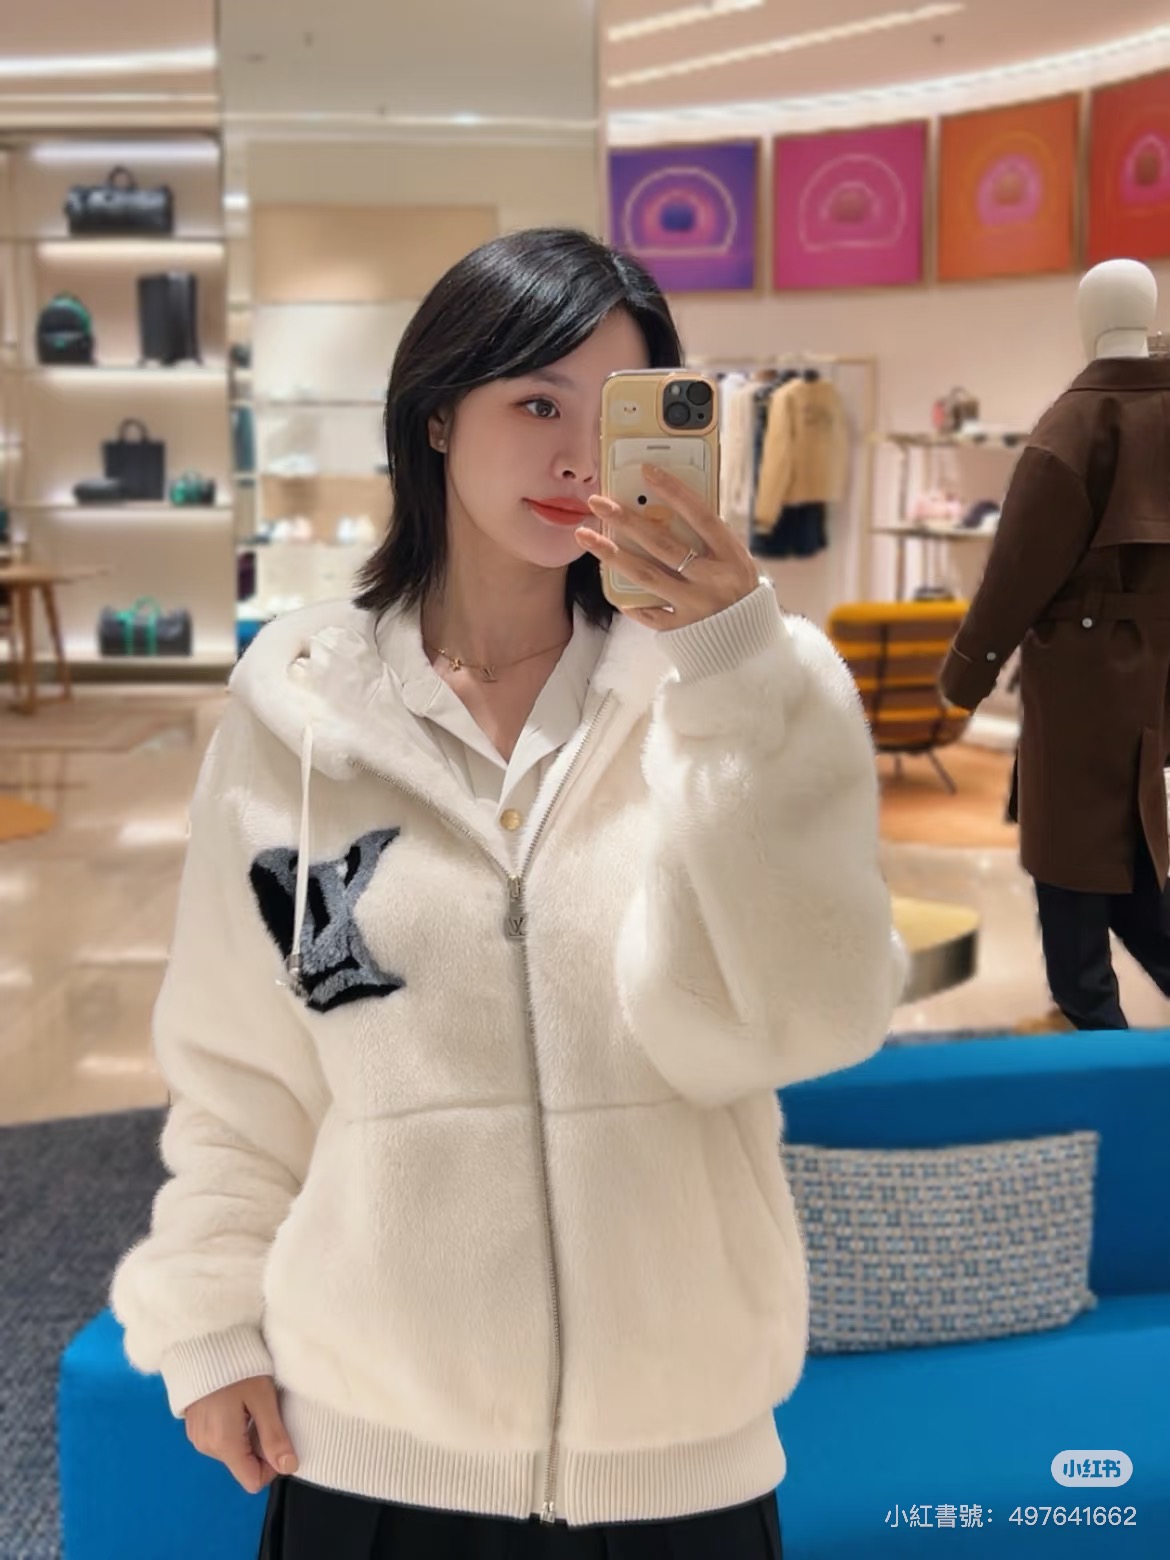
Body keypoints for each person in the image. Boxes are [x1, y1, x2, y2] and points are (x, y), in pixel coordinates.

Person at [109, 228, 906, 1559]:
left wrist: (735, 679)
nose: (581, 457)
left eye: (619, 411)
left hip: (678, 1461)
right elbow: (240, 1071)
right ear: (436, 416)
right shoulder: (295, 723)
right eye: (537, 404)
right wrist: (207, 1321)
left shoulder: (731, 696)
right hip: (369, 1447)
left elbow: (806, 1020)